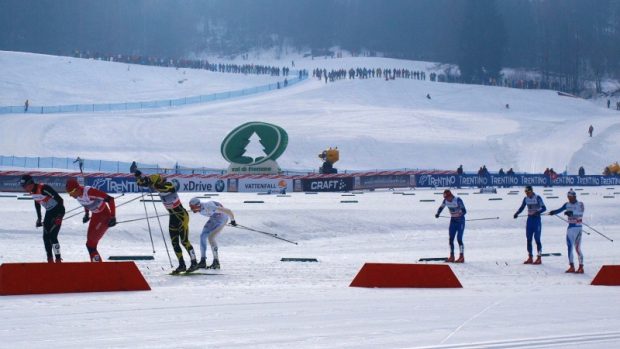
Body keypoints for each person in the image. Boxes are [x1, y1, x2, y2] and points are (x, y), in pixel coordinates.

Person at [134, 170, 198, 274]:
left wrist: (151, 184)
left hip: (182, 217)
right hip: (172, 217)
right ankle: (182, 265)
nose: (152, 187)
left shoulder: (169, 185)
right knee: (174, 242)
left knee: (184, 241)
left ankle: (194, 262)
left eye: (153, 184)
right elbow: (141, 183)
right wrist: (138, 176)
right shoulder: (157, 185)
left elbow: (161, 188)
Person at [66, 177, 116, 262]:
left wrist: (113, 216)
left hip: (104, 216)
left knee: (90, 244)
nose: (70, 195)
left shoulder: (89, 192)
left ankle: (98, 267)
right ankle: (95, 264)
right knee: (89, 244)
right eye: (68, 193)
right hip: (95, 215)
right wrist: (86, 214)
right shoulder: (77, 196)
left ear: (77, 189)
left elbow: (110, 199)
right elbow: (85, 203)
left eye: (71, 192)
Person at [20, 174, 65, 262]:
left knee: (53, 236)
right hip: (49, 213)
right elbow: (37, 203)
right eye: (23, 187)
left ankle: (58, 259)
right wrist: (39, 218)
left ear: (30, 184)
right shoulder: (32, 192)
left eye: (25, 186)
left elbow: (60, 200)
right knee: (45, 237)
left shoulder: (44, 188)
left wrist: (59, 216)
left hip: (58, 211)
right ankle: (50, 259)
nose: (24, 189)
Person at [188, 197, 236, 269]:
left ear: (198, 205)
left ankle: (216, 262)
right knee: (203, 236)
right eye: (190, 207)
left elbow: (228, 211)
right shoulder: (200, 208)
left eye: (193, 207)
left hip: (222, 218)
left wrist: (232, 220)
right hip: (214, 218)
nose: (191, 209)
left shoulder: (209, 207)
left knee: (211, 237)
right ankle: (203, 261)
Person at [548, 189, 585, 274]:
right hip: (570, 228)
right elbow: (560, 209)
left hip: (578, 228)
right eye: (568, 197)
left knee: (577, 248)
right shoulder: (567, 204)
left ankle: (581, 266)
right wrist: (553, 212)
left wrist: (571, 213)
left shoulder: (580, 204)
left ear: (574, 196)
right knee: (569, 247)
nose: (569, 199)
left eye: (571, 197)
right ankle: (571, 266)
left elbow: (580, 213)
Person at [513, 185, 546, 264]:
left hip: (536, 220)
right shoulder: (526, 199)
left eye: (528, 192)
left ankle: (539, 257)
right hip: (529, 220)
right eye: (526, 192)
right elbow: (522, 207)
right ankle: (530, 257)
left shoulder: (537, 197)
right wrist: (517, 213)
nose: (527, 194)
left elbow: (544, 208)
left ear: (531, 191)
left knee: (537, 239)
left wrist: (537, 212)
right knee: (528, 239)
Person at [435, 189, 467, 263]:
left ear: (450, 196)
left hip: (460, 221)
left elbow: (464, 211)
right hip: (453, 221)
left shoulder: (458, 200)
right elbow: (441, 207)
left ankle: (461, 257)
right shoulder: (445, 200)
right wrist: (438, 213)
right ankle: (452, 256)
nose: (446, 199)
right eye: (445, 198)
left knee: (459, 239)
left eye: (447, 198)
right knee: (451, 239)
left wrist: (460, 214)